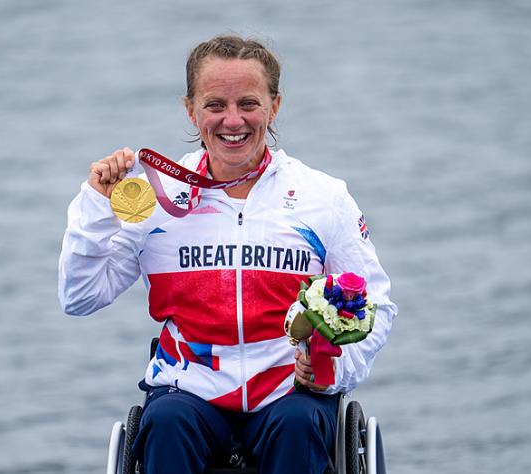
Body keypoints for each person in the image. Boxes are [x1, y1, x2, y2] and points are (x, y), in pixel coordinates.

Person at [58, 35, 397, 474]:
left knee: (297, 423)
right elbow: (79, 297)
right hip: (188, 392)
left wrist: (338, 367)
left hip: (289, 391)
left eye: (248, 104)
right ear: (191, 110)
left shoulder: (322, 197)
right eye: (215, 104)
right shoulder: (156, 196)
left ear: (274, 107)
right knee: (165, 422)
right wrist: (96, 207)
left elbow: (376, 305)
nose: (232, 120)